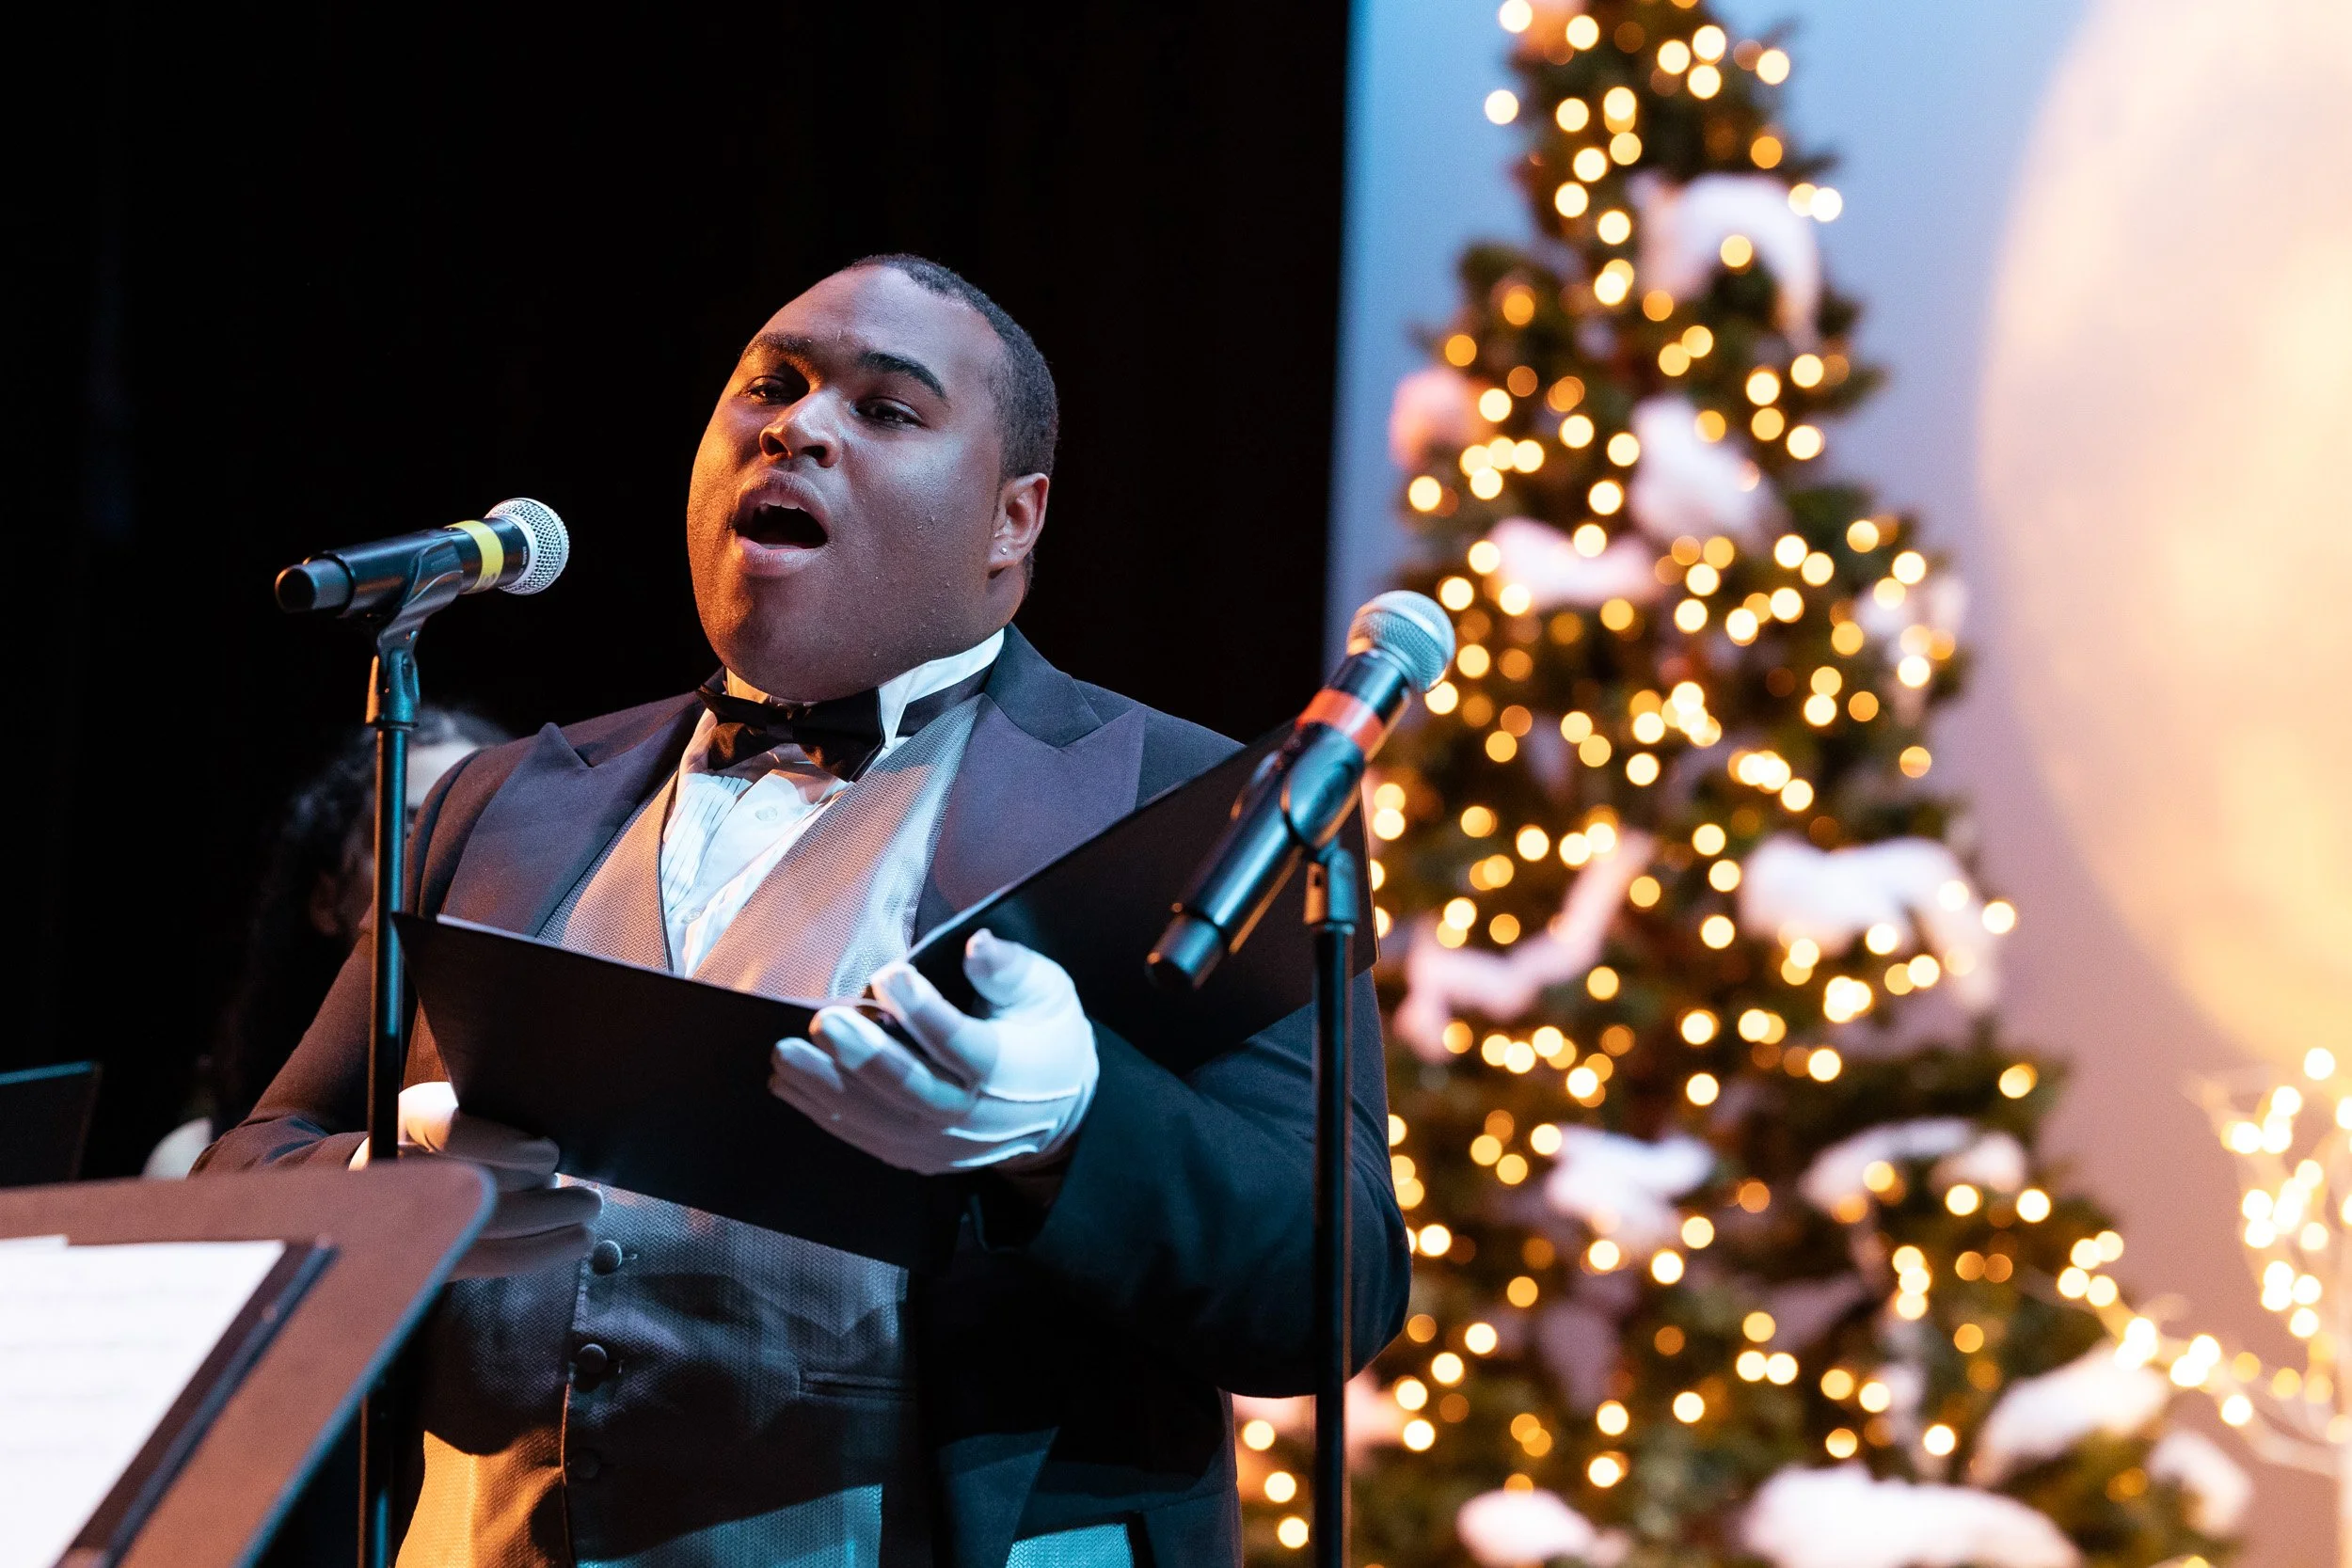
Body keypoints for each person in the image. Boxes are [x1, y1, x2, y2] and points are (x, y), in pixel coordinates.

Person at [199, 254, 1406, 1567]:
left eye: (887, 409)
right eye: (769, 385)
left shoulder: (1183, 802)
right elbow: (247, 1171)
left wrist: (1074, 1126)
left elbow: (1331, 1282)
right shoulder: (500, 803)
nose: (797, 425)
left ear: (1015, 519)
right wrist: (392, 1178)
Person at [144, 707, 508, 1180]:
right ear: (326, 898)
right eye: (417, 836)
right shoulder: (193, 1163)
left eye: (493, 834)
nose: (453, 865)